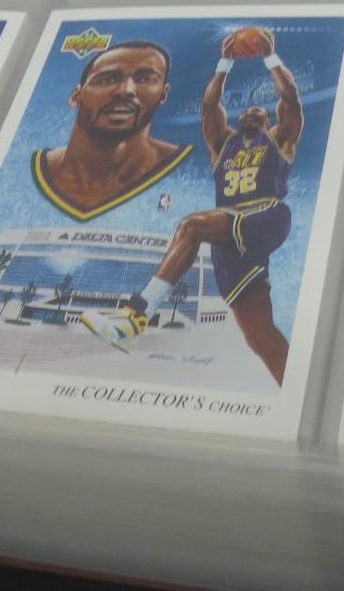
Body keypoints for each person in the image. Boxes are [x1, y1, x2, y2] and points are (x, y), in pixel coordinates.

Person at [82, 29, 301, 383]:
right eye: (246, 112)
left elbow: (289, 98)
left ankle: (135, 317)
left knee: (191, 226)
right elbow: (210, 106)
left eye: (259, 112)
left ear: (268, 121)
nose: (251, 114)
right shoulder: (223, 145)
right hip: (229, 232)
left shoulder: (279, 139)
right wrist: (224, 61)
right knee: (260, 337)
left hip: (265, 215)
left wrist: (269, 57)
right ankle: (295, 384)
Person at [31, 41, 191, 221]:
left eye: (144, 79)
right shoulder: (25, 168)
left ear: (163, 93)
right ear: (76, 96)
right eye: (107, 79)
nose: (126, 91)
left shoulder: (188, 172)